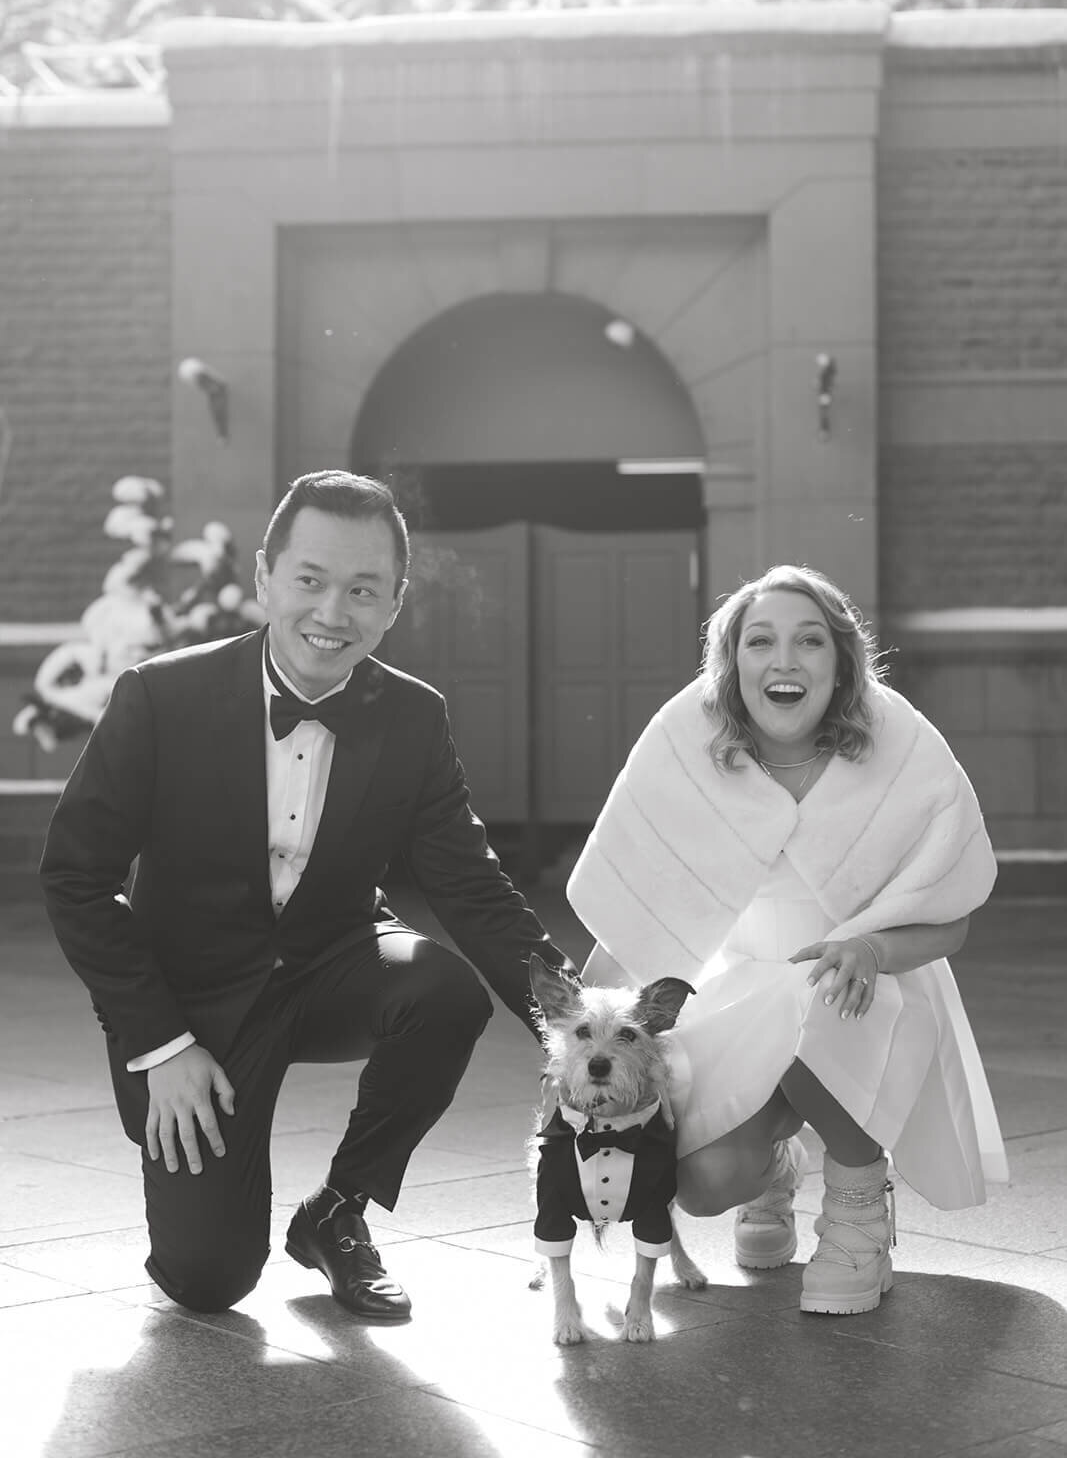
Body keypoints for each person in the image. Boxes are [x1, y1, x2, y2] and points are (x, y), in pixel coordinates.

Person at [40, 470, 571, 1319]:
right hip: (193, 1005)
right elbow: (75, 878)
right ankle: (208, 1202)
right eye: (311, 581)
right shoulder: (159, 696)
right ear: (264, 579)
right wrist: (161, 1044)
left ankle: (339, 1210)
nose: (333, 612)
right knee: (208, 1280)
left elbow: (469, 883)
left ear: (393, 604)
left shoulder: (412, 716)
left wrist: (574, 1019)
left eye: (363, 590)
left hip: (333, 961)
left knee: (440, 992)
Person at [567, 564, 1007, 1316]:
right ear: (731, 662)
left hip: (872, 988)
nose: (783, 660)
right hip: (740, 992)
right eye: (759, 641)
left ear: (840, 665)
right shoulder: (685, 746)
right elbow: (632, 916)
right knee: (702, 1185)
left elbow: (952, 916)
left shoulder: (900, 747)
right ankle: (773, 1170)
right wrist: (577, 1043)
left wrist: (870, 948)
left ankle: (859, 1202)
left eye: (809, 642)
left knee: (821, 996)